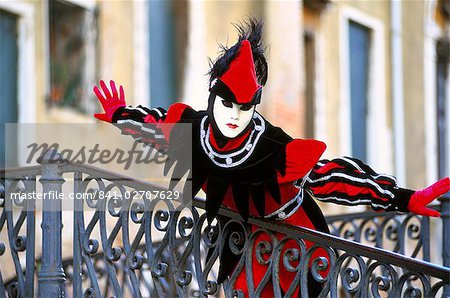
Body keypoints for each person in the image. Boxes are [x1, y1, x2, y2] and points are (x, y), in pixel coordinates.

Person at [93, 19, 449, 297]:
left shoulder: (271, 147)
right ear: (213, 97)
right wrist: (120, 115)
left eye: (245, 107)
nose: (234, 115)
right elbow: (156, 128)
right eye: (228, 103)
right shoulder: (194, 129)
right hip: (244, 241)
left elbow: (329, 177)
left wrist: (401, 197)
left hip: (298, 243)